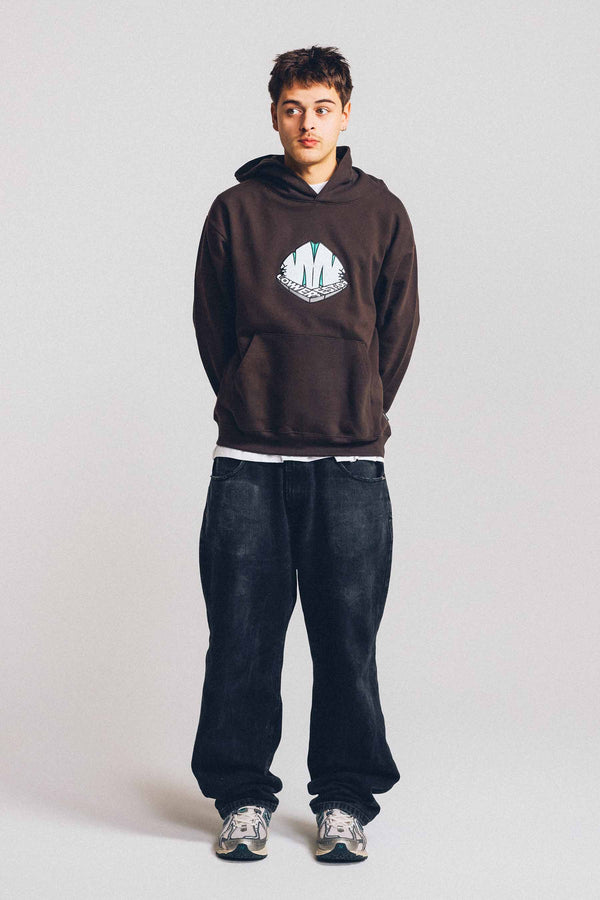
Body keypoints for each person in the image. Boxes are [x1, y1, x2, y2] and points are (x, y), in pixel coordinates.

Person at [190, 44, 420, 863]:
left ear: (345, 113)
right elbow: (211, 322)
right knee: (241, 639)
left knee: (347, 641)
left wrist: (360, 404)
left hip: (351, 463)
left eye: (322, 108)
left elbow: (398, 326)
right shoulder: (236, 211)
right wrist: (248, 393)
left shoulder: (381, 211)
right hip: (249, 461)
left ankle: (345, 803)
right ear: (275, 116)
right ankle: (243, 799)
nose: (307, 123)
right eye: (293, 109)